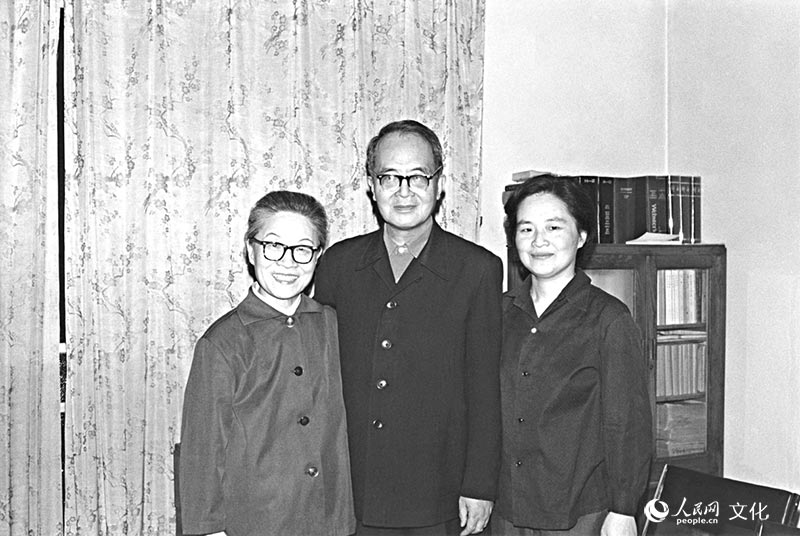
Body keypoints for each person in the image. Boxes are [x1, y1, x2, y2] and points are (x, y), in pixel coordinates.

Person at [314, 120, 503, 536]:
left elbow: (485, 389)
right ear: (371, 185)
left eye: (418, 177)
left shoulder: (477, 270)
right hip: (354, 489)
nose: (404, 191)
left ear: (439, 184)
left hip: (440, 493)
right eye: (389, 177)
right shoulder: (338, 265)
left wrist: (479, 485)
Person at [179, 190, 355, 536]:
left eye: (303, 249)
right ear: (251, 250)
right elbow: (203, 452)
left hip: (330, 520)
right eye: (273, 246)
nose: (288, 263)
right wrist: (210, 530)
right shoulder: (222, 343)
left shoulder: (333, 325)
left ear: (318, 256)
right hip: (256, 523)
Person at [493, 175, 652, 536]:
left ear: (581, 236)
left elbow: (627, 424)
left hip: (580, 514)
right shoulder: (498, 314)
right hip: (507, 510)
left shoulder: (609, 319)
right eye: (526, 229)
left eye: (553, 227)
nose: (539, 241)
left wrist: (623, 509)